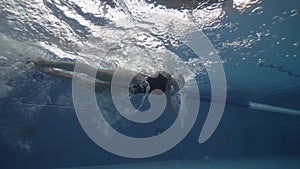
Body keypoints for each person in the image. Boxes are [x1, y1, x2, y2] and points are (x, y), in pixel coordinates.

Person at [26, 58, 185, 113]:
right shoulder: (166, 75)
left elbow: (170, 106)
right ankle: (45, 62)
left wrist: (179, 120)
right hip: (131, 78)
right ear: (175, 79)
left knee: (89, 85)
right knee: (92, 72)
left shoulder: (166, 91)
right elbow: (152, 70)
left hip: (128, 89)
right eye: (178, 84)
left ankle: (47, 70)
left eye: (178, 88)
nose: (176, 88)